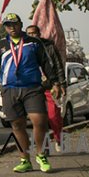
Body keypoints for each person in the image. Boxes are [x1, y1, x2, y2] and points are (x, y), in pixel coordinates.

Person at [0, 13, 61, 173]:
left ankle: (40, 154)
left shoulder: (33, 42)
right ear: (5, 27)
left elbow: (45, 63)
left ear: (21, 24)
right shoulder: (1, 44)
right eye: (8, 25)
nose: (12, 27)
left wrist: (55, 82)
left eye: (15, 24)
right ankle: (25, 159)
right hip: (9, 88)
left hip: (32, 87)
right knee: (17, 124)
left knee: (39, 121)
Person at [25, 24, 66, 152]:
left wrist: (60, 83)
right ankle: (44, 147)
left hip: (50, 86)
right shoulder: (24, 48)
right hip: (33, 88)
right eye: (29, 34)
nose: (32, 36)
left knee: (53, 116)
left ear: (39, 34)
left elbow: (58, 65)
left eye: (34, 33)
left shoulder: (48, 46)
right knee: (39, 120)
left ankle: (59, 138)